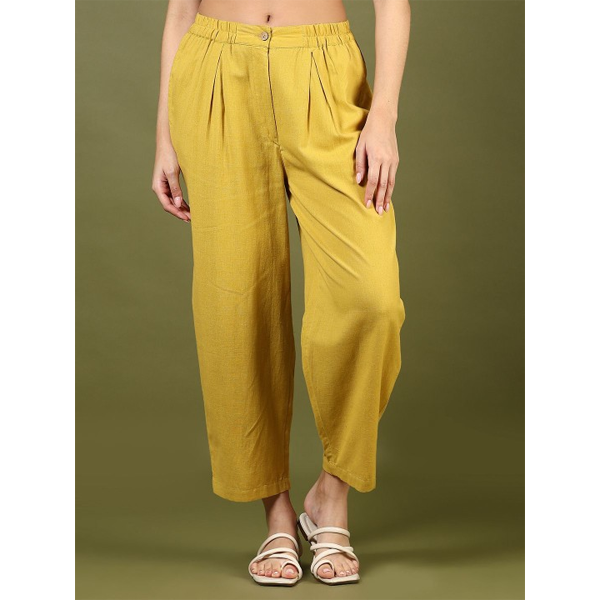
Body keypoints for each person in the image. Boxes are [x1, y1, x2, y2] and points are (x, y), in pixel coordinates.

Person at [152, 0, 411, 586]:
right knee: (235, 303)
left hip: (326, 75)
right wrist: (164, 136)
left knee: (371, 298)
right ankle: (276, 514)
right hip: (216, 74)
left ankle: (331, 494)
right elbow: (180, 14)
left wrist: (384, 116)